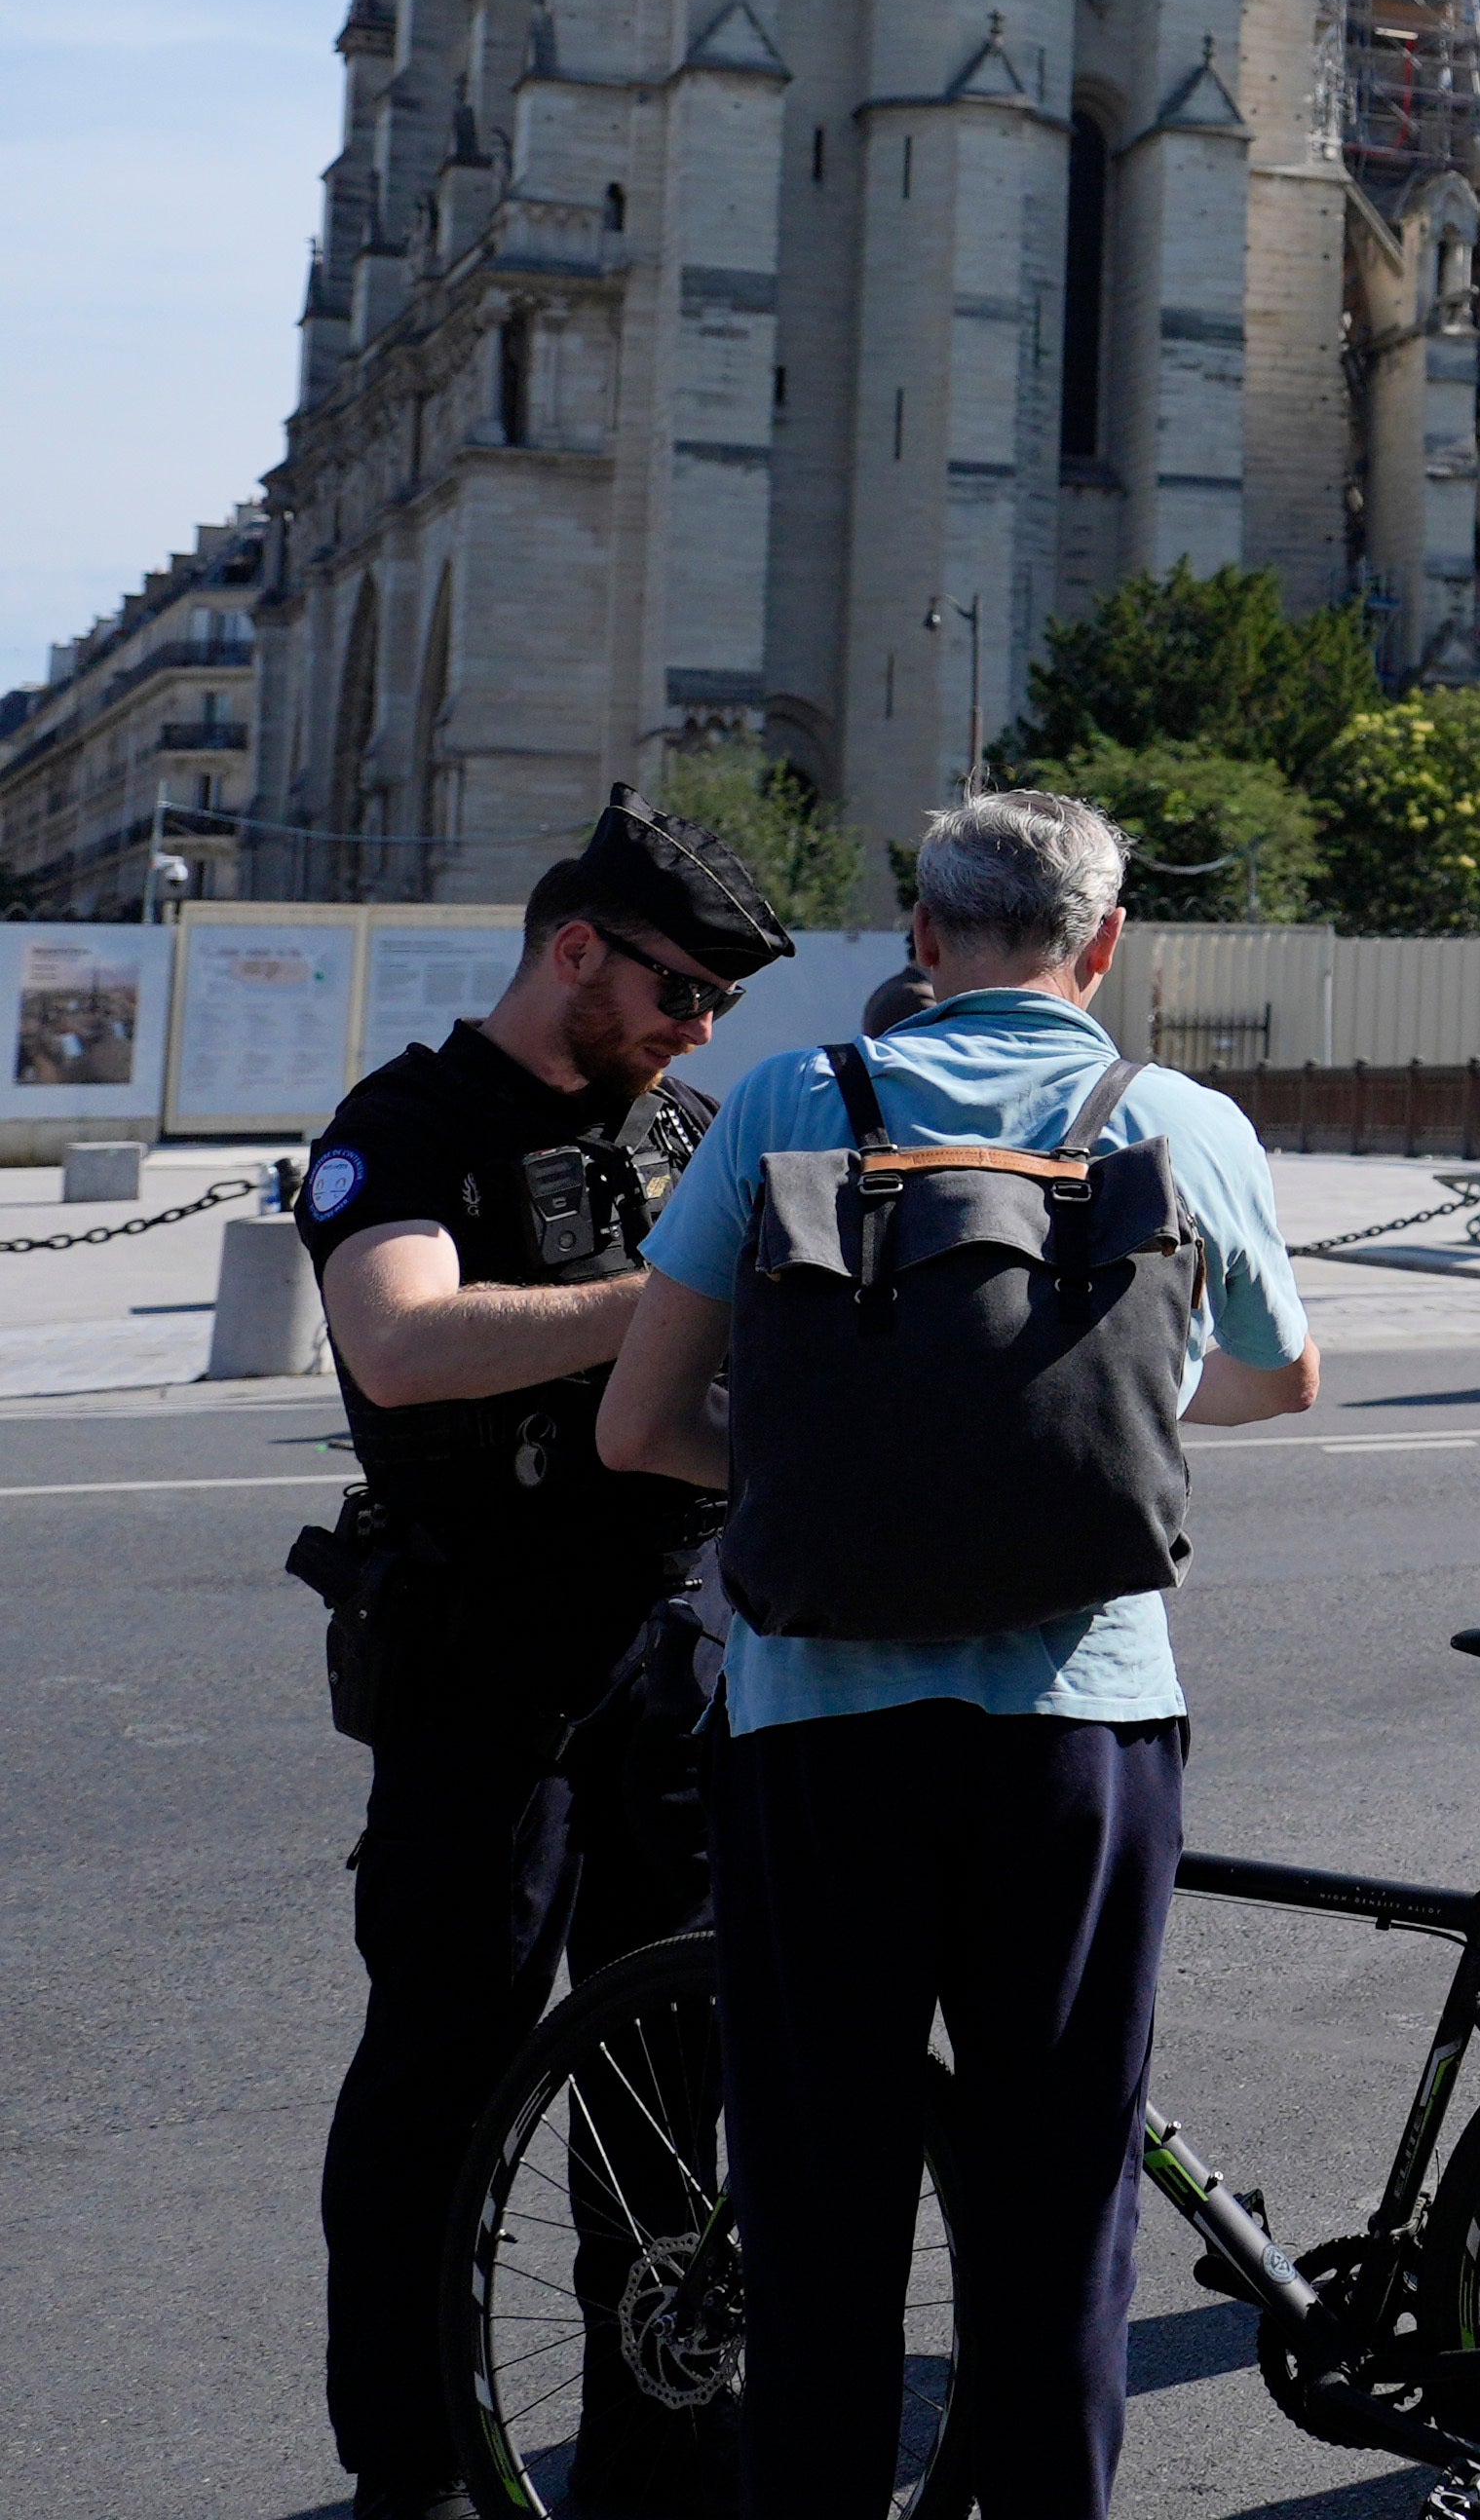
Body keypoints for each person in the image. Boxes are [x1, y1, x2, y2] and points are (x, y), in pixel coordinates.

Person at [597, 788, 1319, 2520]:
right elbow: (1277, 1377)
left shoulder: (786, 1098)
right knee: (1058, 2207)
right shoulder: (1180, 1119)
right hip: (1081, 1724)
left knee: (823, 2202)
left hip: (817, 1727)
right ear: (1107, 944)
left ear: (923, 939)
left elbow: (639, 1427)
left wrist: (838, 1475)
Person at [295, 791, 792, 2520]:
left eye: (721, 1005)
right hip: (477, 1673)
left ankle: (653, 2455)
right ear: (574, 949)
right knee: (448, 2063)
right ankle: (413, 2462)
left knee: (670, 2082)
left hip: (670, 1656)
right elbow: (404, 1340)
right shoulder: (408, 1122)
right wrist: (667, 1301)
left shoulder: (689, 1127)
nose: (699, 1030)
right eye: (679, 992)